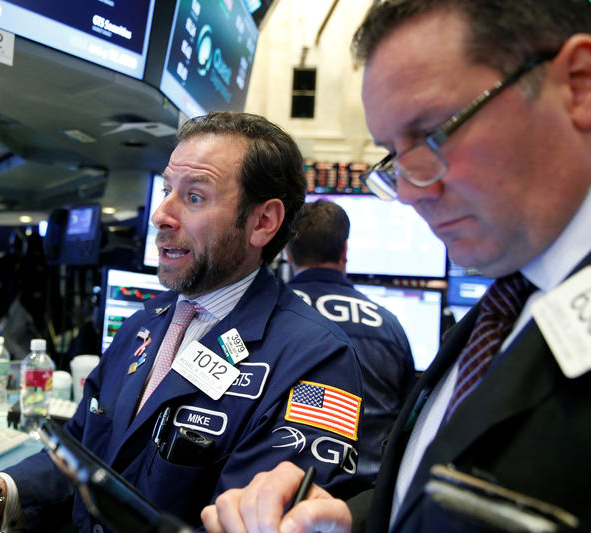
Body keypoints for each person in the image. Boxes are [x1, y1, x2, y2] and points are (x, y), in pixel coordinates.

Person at [0, 112, 368, 532]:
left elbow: (249, 520)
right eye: (168, 189)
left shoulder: (316, 360)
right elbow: (80, 453)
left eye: (193, 196)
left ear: (263, 222)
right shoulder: (145, 325)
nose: (161, 214)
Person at [200, 1, 591, 532]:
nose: (407, 191)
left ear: (579, 85)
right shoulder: (505, 305)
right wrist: (347, 521)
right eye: (393, 154)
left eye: (435, 133)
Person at [285, 199, 415, 483]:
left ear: (288, 253)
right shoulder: (389, 325)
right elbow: (408, 418)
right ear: (345, 251)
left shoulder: (263, 315)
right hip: (368, 498)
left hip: (282, 493)